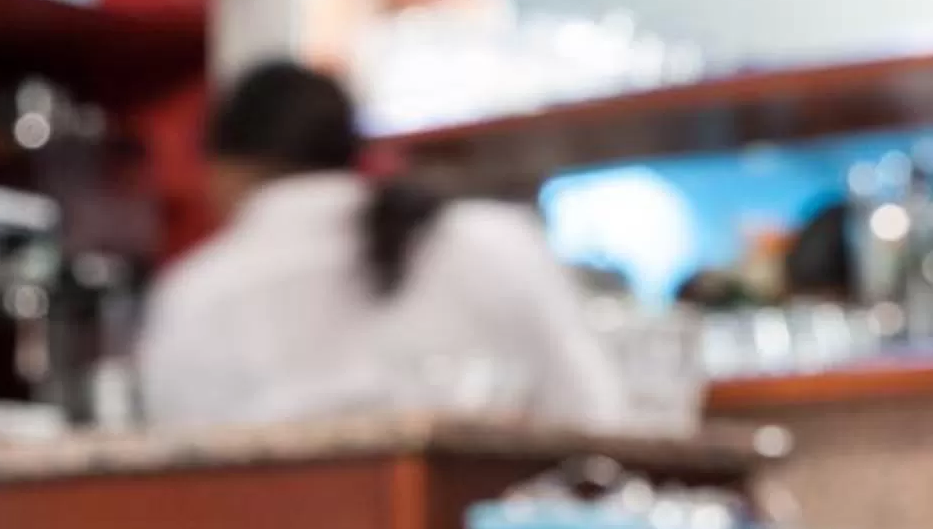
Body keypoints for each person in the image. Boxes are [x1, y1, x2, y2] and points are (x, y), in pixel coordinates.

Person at [136, 61, 633, 430]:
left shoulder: (199, 292)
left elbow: (185, 471)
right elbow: (596, 416)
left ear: (224, 171)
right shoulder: (491, 242)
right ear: (357, 153)